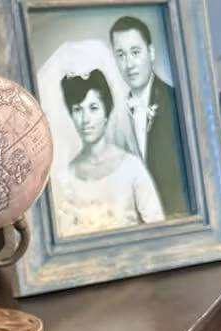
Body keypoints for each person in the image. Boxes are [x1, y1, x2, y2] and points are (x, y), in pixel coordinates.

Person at [53, 69, 163, 237]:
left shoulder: (131, 167)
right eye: (77, 109)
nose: (85, 119)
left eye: (93, 108)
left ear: (106, 112)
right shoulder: (66, 177)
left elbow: (159, 227)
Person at [109, 16, 187, 216]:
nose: (129, 64)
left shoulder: (178, 103)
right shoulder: (112, 114)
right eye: (121, 55)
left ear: (151, 52)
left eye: (135, 52)